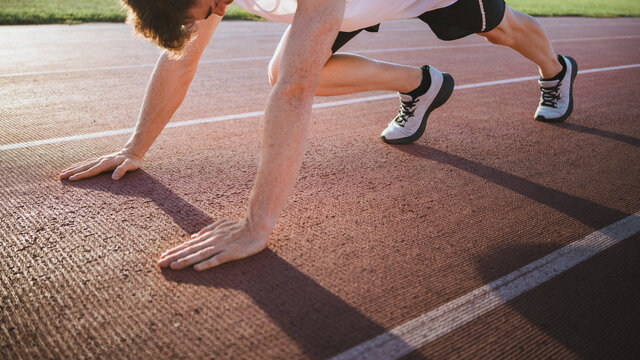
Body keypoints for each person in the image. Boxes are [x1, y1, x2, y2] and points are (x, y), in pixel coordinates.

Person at [59, 0, 577, 271]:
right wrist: (134, 148)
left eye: (214, 2)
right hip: (343, 3)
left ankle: (555, 70)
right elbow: (182, 57)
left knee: (499, 27)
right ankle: (422, 85)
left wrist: (256, 224)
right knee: (287, 67)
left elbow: (294, 94)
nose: (220, 11)